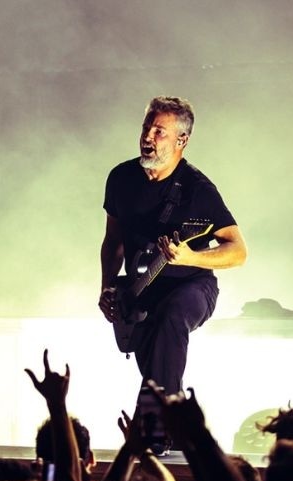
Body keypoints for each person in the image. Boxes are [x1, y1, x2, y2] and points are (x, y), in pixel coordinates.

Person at [98, 96, 247, 451]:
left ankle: (149, 432)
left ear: (182, 140)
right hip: (141, 290)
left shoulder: (198, 190)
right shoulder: (121, 178)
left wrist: (191, 256)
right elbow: (113, 240)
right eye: (146, 128)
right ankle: (179, 436)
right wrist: (107, 288)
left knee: (172, 316)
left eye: (159, 132)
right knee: (160, 370)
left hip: (192, 287)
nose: (148, 137)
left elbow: (238, 250)